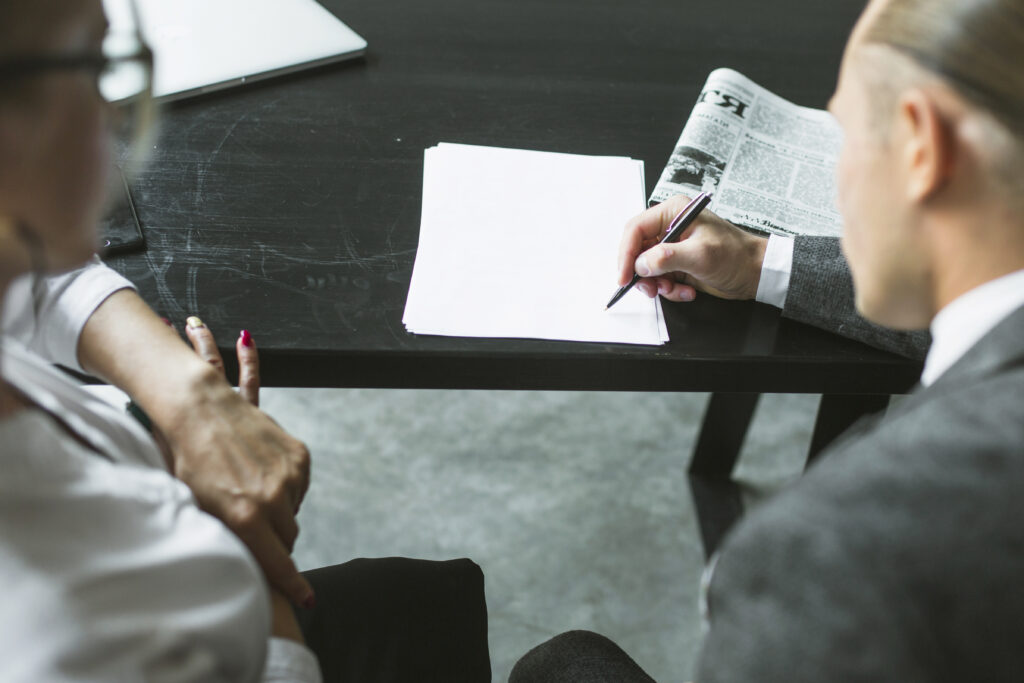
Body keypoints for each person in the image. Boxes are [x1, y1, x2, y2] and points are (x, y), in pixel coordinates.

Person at [511, 0, 1024, 680]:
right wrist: (756, 262)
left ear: (921, 146)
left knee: (560, 666)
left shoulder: (830, 553)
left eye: (846, 135)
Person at [0, 1, 490, 680]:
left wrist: (184, 393)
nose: (112, 116)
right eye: (91, 65)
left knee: (429, 595)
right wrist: (223, 541)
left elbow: (28, 258)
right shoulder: (64, 633)